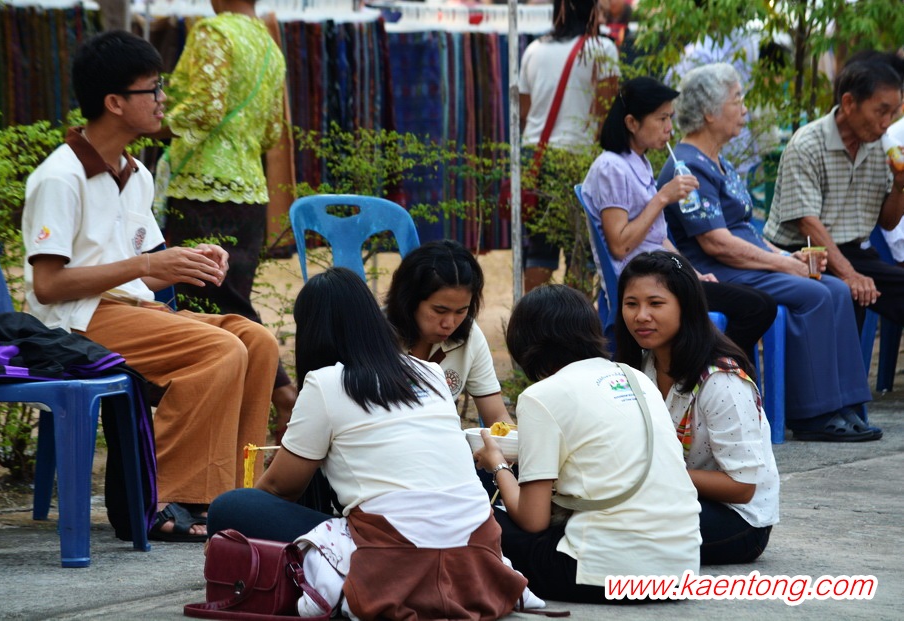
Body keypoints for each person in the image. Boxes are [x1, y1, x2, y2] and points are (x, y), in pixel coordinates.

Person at [22, 31, 280, 542]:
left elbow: (147, 270)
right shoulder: (60, 177)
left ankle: (232, 495)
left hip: (132, 312)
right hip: (75, 320)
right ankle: (160, 497)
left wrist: (192, 261)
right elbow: (48, 286)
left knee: (258, 341)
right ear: (115, 103)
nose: (164, 100)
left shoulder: (136, 173)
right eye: (153, 89)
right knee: (219, 349)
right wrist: (144, 264)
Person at [207, 268, 530, 619]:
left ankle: (326, 557)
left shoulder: (326, 382)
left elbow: (281, 487)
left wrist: (241, 521)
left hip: (394, 555)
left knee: (231, 507)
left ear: (311, 332)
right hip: (477, 552)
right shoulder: (430, 373)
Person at [656, 62, 878, 442]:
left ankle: (845, 404)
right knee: (813, 295)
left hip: (744, 261)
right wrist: (783, 264)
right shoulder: (687, 165)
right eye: (737, 100)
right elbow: (716, 242)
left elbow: (747, 229)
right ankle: (812, 414)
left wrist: (787, 257)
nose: (744, 109)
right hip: (718, 268)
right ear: (709, 112)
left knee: (837, 289)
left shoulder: (718, 161)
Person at [473, 284, 701, 603]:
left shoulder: (542, 395)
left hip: (602, 574)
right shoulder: (637, 379)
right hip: (679, 572)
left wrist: (497, 465)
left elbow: (532, 520)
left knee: (472, 516)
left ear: (526, 345)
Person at [161, 0, 297, 435]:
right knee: (230, 300)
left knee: (206, 307)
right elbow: (272, 130)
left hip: (202, 186)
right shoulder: (269, 45)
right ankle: (274, 396)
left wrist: (152, 122)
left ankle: (278, 395)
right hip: (249, 189)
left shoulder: (213, 33)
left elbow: (204, 109)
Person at [581, 76, 777, 358]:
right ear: (632, 123)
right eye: (662, 119)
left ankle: (708, 365)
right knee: (757, 307)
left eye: (670, 118)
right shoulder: (611, 168)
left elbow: (658, 238)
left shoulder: (639, 162)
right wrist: (663, 197)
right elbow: (620, 244)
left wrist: (693, 273)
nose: (669, 128)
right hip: (642, 280)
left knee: (758, 302)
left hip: (663, 273)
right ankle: (707, 367)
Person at [615, 251, 779, 565]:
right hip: (673, 496)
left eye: (656, 303)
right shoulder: (640, 367)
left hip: (738, 520)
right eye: (631, 304)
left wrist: (654, 474)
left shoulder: (722, 381)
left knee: (616, 524)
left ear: (686, 306)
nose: (641, 316)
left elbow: (743, 487)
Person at [764, 58, 904, 331]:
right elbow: (807, 222)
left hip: (854, 252)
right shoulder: (807, 144)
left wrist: (900, 185)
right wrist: (850, 275)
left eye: (893, 113)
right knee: (846, 296)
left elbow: (888, 222)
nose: (886, 123)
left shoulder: (880, 147)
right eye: (881, 111)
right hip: (803, 252)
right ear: (849, 103)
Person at [519, 0, 620, 292]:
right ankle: (574, 317)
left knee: (538, 249)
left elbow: (524, 112)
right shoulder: (601, 49)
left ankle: (532, 314)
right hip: (579, 156)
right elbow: (605, 113)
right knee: (581, 249)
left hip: (535, 157)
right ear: (590, 11)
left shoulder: (534, 49)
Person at [384, 240, 513, 426]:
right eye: (439, 310)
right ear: (409, 301)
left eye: (461, 311)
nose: (449, 323)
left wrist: (511, 440)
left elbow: (496, 416)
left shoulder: (470, 336)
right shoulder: (375, 333)